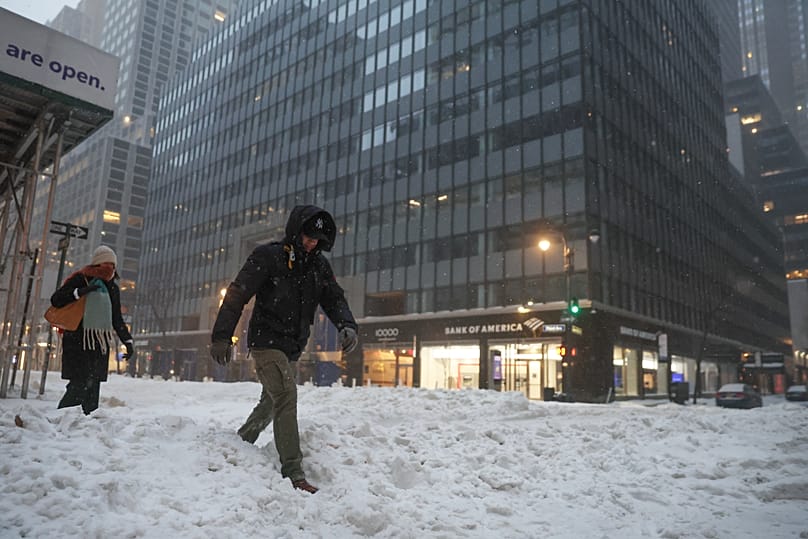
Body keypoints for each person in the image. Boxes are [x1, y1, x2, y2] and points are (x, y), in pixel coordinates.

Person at [211, 205, 359, 494]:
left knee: (272, 400)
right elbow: (238, 292)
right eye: (307, 236)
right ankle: (294, 472)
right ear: (296, 231)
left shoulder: (318, 266)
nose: (311, 243)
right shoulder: (269, 256)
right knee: (287, 395)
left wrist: (346, 324)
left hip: (292, 346)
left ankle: (241, 442)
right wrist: (221, 336)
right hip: (266, 342)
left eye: (317, 240)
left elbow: (334, 298)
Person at [50, 245, 135, 415]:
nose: (109, 268)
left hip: (98, 345)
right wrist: (80, 292)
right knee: (78, 387)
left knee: (92, 389)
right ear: (96, 264)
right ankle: (62, 420)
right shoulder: (81, 279)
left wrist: (128, 341)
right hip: (77, 342)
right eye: (105, 264)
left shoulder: (112, 288)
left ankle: (86, 430)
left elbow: (116, 318)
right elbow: (56, 299)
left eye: (112, 265)